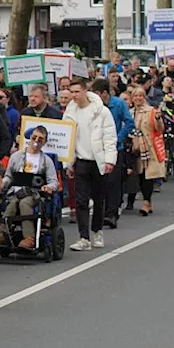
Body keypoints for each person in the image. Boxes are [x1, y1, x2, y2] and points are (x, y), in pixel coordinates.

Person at [65, 78, 117, 251]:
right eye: (71, 92)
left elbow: (109, 137)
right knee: (81, 201)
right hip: (80, 161)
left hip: (98, 161)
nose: (74, 96)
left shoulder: (101, 112)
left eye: (77, 92)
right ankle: (83, 237)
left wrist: (110, 160)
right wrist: (68, 163)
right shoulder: (70, 113)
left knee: (98, 199)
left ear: (85, 91)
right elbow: (68, 139)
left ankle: (97, 231)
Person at [0, 125, 58, 251]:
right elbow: (9, 176)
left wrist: (48, 187)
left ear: (44, 142)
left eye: (40, 139)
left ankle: (29, 238)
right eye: (34, 137)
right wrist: (2, 183)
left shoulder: (46, 161)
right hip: (16, 191)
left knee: (24, 203)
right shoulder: (16, 156)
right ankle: (0, 234)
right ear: (30, 138)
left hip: (35, 194)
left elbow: (53, 181)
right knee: (12, 204)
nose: (36, 141)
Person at [94, 79, 133, 228]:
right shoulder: (93, 107)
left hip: (115, 148)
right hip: (97, 148)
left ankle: (111, 214)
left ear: (104, 93)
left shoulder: (118, 104)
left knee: (113, 182)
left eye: (97, 94)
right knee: (99, 182)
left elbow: (129, 122)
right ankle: (102, 213)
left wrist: (118, 138)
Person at [126, 87, 166, 215]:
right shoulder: (129, 112)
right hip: (133, 147)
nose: (138, 98)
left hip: (147, 147)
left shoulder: (151, 111)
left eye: (141, 96)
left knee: (146, 176)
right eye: (136, 96)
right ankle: (131, 202)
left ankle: (146, 202)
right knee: (134, 175)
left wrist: (158, 118)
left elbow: (159, 129)